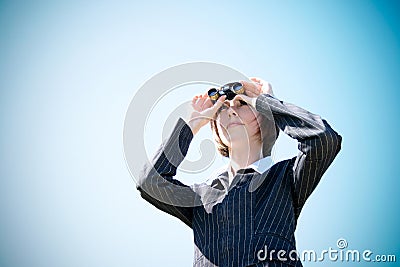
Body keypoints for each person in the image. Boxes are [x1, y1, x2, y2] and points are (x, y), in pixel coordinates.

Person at [137, 77, 342, 267]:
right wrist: (193, 123)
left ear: (266, 119)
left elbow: (323, 140)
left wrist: (266, 102)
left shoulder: (286, 177)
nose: (231, 110)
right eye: (223, 108)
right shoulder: (201, 197)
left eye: (243, 104)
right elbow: (150, 183)